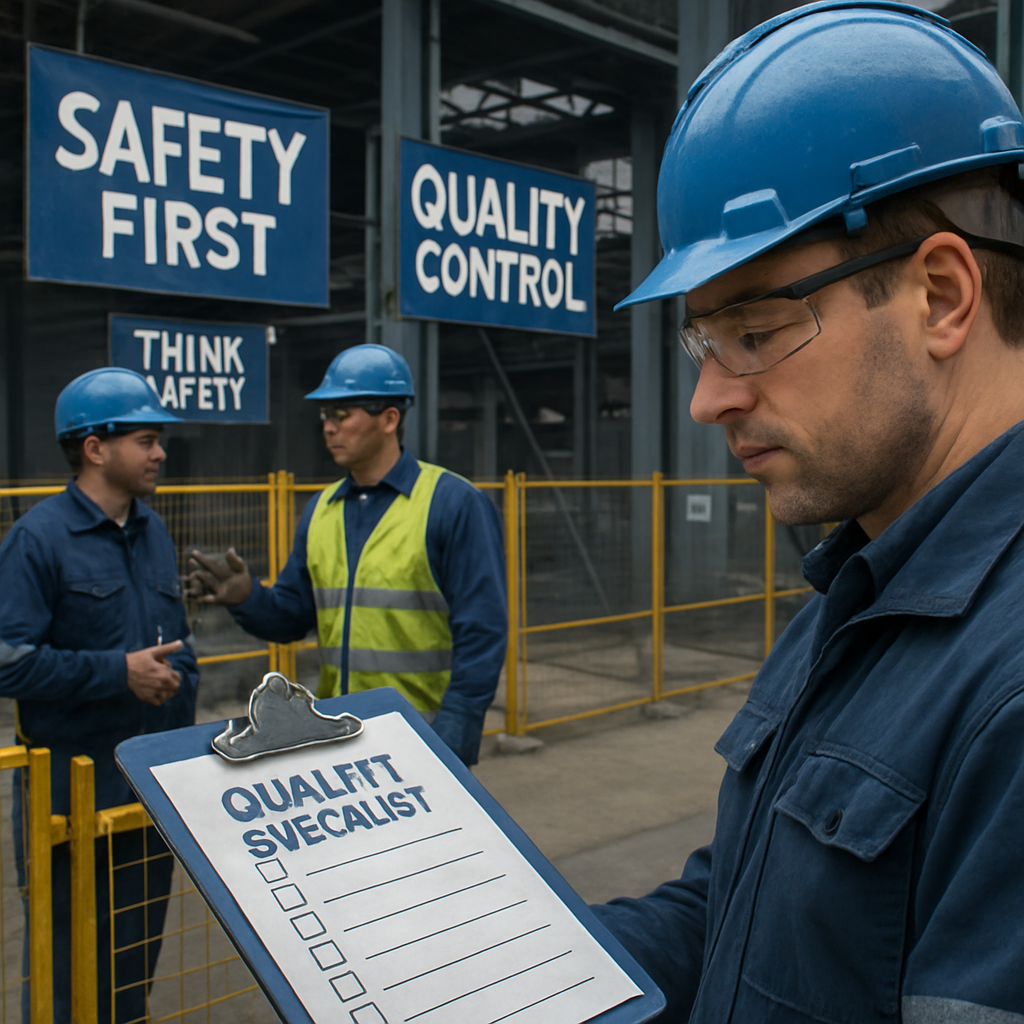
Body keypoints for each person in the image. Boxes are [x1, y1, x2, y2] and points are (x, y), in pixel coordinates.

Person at [589, 4, 1024, 1021]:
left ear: (941, 296)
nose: (708, 400)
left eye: (755, 328)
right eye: (704, 343)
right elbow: (743, 909)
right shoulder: (858, 588)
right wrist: (527, 964)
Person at [187, 343, 506, 766]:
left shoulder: (453, 504)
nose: (329, 427)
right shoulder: (321, 510)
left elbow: (482, 633)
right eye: (325, 414)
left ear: (389, 419)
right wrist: (247, 597)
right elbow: (292, 618)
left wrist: (453, 737)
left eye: (342, 414)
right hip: (342, 737)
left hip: (424, 735)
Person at [0, 367, 199, 1023]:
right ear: (94, 447)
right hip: (68, 796)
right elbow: (8, 664)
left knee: (131, 969)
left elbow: (177, 642)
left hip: (147, 789)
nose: (160, 453)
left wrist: (179, 685)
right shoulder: (38, 540)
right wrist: (118, 674)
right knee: (68, 972)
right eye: (146, 440)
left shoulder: (153, 532)